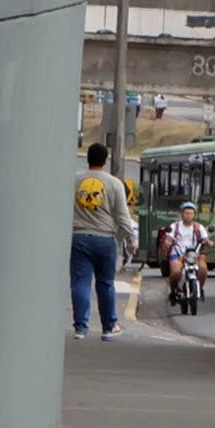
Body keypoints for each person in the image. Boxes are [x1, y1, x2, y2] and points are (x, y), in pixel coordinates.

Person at [70, 142, 136, 340]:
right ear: (105, 160)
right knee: (106, 283)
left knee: (81, 283)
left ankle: (80, 328)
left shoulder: (75, 181)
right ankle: (109, 327)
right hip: (106, 239)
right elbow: (122, 216)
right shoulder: (114, 183)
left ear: (87, 159)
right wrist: (130, 238)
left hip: (79, 236)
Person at [162, 202, 211, 315]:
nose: (188, 215)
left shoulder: (199, 227)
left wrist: (208, 242)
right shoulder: (175, 226)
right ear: (182, 214)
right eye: (186, 213)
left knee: (203, 269)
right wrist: (168, 242)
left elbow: (205, 239)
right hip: (178, 255)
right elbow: (168, 238)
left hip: (194, 255)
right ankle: (173, 292)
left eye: (191, 213)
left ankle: (200, 289)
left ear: (194, 215)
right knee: (175, 272)